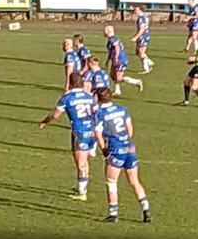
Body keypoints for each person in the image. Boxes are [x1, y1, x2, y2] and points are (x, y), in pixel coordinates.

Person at [94, 87, 151, 223]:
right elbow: (130, 129)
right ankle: (146, 210)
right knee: (134, 181)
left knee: (111, 182)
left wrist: (104, 149)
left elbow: (97, 134)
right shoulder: (122, 109)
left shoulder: (99, 114)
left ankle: (113, 214)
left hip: (116, 150)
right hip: (130, 147)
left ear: (98, 98)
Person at [38, 71, 97, 201]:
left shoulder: (68, 98)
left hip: (79, 132)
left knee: (80, 163)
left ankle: (82, 193)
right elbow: (96, 113)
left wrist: (44, 121)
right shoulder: (89, 97)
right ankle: (83, 188)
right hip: (91, 132)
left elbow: (55, 115)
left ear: (70, 83)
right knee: (85, 161)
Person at [103, 24, 143, 95]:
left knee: (118, 78)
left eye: (104, 30)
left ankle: (137, 82)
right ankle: (117, 90)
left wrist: (116, 57)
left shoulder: (113, 39)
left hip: (120, 60)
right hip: (115, 60)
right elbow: (111, 51)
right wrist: (108, 60)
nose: (103, 32)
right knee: (112, 75)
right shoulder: (111, 39)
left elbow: (117, 47)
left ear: (108, 31)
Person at [131, 7, 154, 74]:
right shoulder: (145, 16)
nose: (134, 11)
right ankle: (149, 62)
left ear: (140, 10)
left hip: (143, 36)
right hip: (143, 36)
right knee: (138, 52)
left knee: (141, 53)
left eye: (136, 9)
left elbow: (142, 29)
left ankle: (146, 68)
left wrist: (136, 37)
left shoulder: (141, 18)